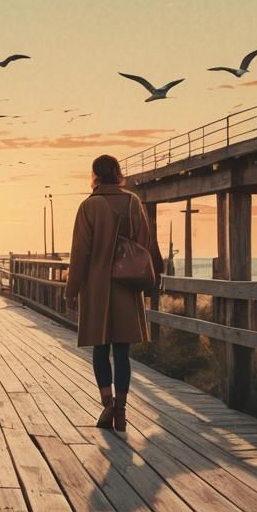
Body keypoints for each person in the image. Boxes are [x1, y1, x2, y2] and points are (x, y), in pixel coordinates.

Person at [65, 154, 161, 433]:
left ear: (94, 174)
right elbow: (145, 243)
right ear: (117, 173)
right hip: (126, 288)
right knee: (122, 352)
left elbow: (79, 254)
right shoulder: (132, 202)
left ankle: (106, 402)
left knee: (100, 348)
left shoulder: (88, 206)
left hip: (97, 287)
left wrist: (72, 290)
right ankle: (120, 410)